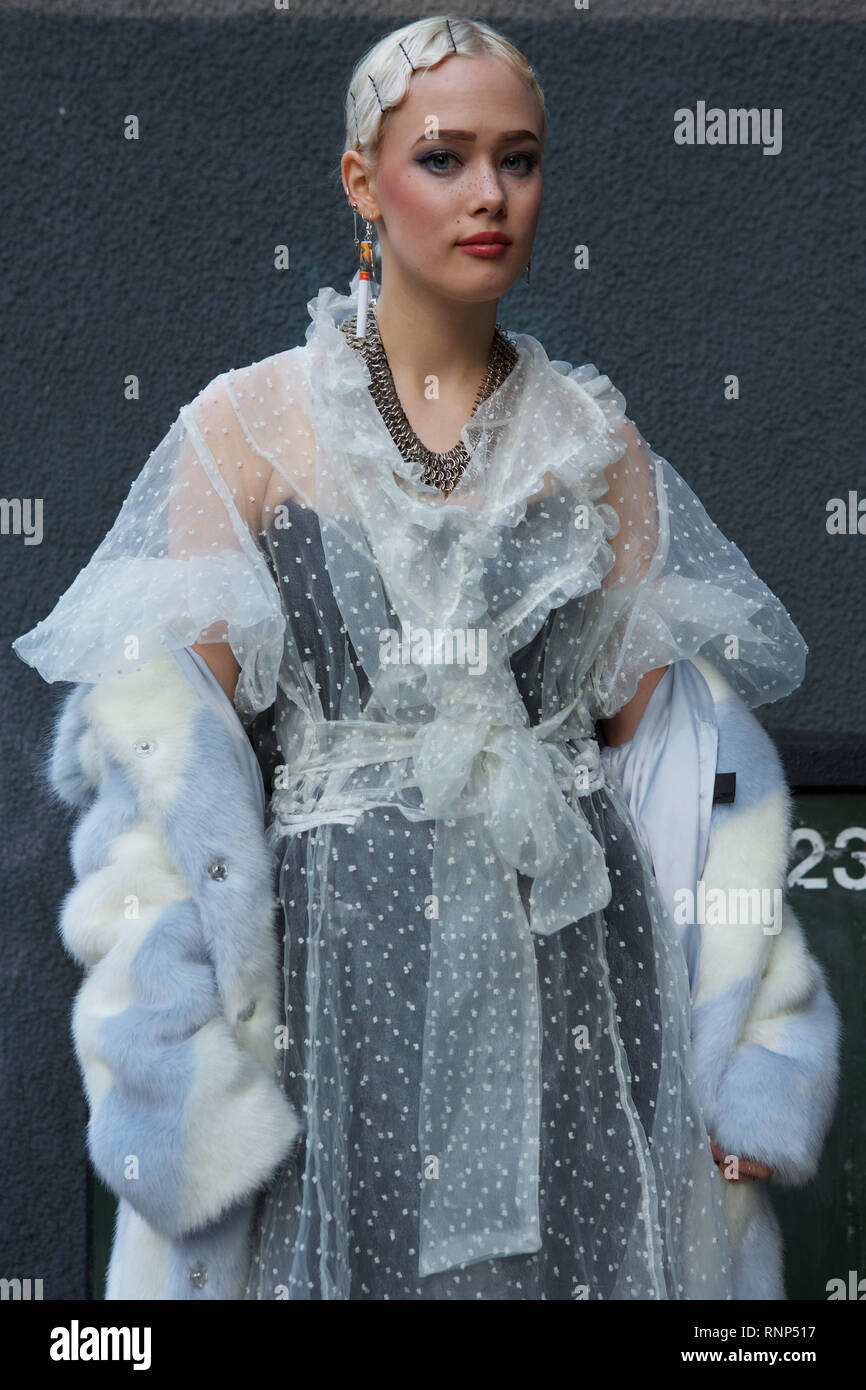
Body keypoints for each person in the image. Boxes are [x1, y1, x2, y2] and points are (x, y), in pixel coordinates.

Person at [12, 15, 838, 1301]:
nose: (488, 195)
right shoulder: (248, 429)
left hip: (573, 972)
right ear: (360, 179)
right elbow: (165, 781)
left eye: (518, 159)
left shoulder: (594, 443)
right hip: (331, 980)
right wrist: (178, 1074)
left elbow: (689, 780)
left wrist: (750, 1044)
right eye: (443, 157)